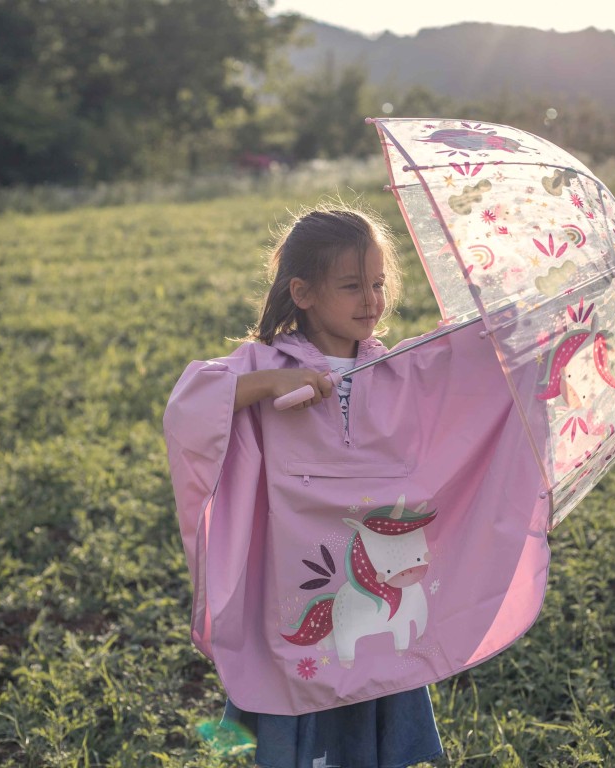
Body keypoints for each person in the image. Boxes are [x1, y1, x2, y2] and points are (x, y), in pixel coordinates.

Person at [164, 204, 551, 768]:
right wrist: (273, 381)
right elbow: (188, 408)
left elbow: (463, 371)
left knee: (380, 657)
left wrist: (523, 332)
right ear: (302, 292)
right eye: (351, 286)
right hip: (292, 575)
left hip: (380, 579)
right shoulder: (263, 361)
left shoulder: (397, 369)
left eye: (377, 284)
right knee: (304, 681)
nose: (371, 300)